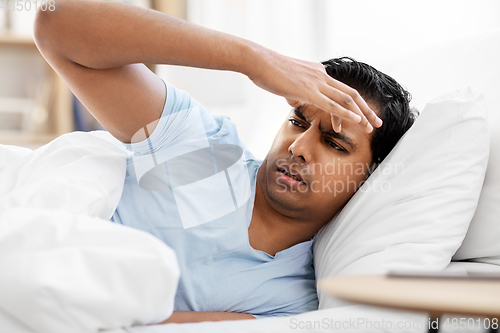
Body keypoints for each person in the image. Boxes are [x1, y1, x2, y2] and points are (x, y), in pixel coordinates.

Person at [33, 0, 415, 324]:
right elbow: (55, 23)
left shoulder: (290, 300)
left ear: (369, 176)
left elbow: (123, 324)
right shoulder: (207, 149)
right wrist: (252, 59)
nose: (298, 146)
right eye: (297, 121)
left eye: (334, 143)